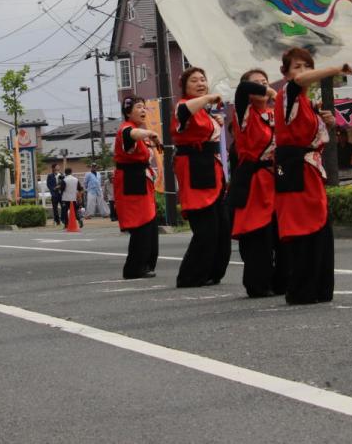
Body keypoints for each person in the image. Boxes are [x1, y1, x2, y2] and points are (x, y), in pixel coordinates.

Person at [274, 48, 347, 306]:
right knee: (302, 226)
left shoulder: (305, 102)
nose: (303, 72)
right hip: (294, 166)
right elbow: (298, 83)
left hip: (309, 167)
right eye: (297, 66)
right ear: (285, 73)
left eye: (307, 66)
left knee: (319, 226)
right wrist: (336, 68)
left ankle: (319, 288)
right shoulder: (288, 94)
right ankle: (300, 289)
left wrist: (327, 123)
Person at [172, 66, 230, 289]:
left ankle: (212, 272)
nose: (200, 83)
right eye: (194, 81)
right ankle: (189, 276)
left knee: (222, 228)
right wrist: (208, 98)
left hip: (211, 169)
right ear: (185, 88)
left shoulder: (205, 111)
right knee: (206, 229)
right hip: (196, 169)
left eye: (203, 80)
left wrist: (215, 120)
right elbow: (186, 112)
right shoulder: (183, 106)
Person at [230, 69, 286, 298]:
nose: (262, 86)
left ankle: (283, 281)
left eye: (265, 82)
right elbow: (243, 90)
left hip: (277, 178)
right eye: (257, 84)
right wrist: (270, 90)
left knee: (282, 233)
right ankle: (258, 283)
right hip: (255, 180)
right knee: (258, 234)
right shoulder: (244, 113)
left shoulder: (275, 113)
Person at [113, 96, 161, 279]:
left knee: (149, 223)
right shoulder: (126, 129)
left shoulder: (138, 131)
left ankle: (146, 265)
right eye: (138, 107)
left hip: (140, 179)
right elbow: (131, 135)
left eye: (144, 107)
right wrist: (149, 133)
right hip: (131, 181)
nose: (143, 111)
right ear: (128, 111)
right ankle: (134, 268)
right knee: (142, 224)